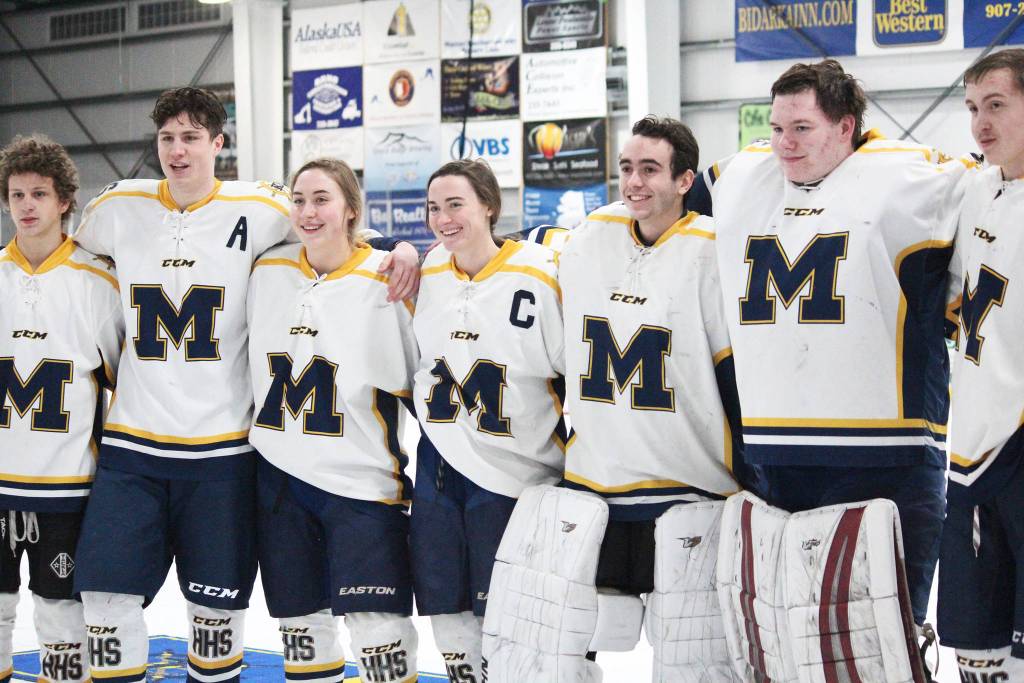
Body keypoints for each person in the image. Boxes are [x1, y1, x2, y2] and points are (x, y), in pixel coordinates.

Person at [69, 87, 420, 683]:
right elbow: (60, 261)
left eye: (191, 138)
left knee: (215, 619)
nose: (177, 151)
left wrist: (404, 246)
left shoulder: (261, 207)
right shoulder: (115, 208)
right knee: (103, 607)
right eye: (166, 138)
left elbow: (332, 227)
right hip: (133, 448)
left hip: (224, 454)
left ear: (218, 145)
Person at [707, 60, 972, 681]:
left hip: (886, 457)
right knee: (786, 642)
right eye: (775, 127)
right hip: (773, 457)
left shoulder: (917, 178)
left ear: (846, 126)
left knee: (881, 644)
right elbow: (660, 204)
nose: (783, 143)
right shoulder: (746, 175)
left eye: (801, 128)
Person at [483, 116, 745, 682]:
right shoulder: (592, 233)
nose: (634, 182)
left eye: (650, 169)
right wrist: (398, 250)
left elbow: (739, 379)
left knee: (695, 661)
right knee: (564, 651)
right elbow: (498, 257)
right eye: (626, 168)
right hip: (595, 490)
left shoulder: (715, 251)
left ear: (684, 180)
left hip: (692, 490)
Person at [249, 158, 419, 683]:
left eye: (322, 199)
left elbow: (423, 385)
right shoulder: (266, 269)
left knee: (378, 635)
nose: (307, 211)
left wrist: (405, 248)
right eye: (299, 200)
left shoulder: (388, 279)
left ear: (350, 209)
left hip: (361, 484)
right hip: (280, 478)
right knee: (302, 632)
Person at [410, 159, 565, 683]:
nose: (442, 218)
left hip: (514, 477)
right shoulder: (428, 270)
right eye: (434, 207)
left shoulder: (541, 273)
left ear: (489, 207)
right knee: (447, 613)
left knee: (515, 627)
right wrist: (405, 247)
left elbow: (573, 378)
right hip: (438, 466)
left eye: (456, 204)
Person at [0, 134, 122, 683]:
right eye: (17, 194)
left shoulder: (97, 281)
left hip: (66, 489)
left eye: (39, 195)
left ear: (65, 201)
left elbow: (125, 379)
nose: (26, 206)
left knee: (60, 619)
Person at [937, 48, 1024, 683]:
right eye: (972, 108)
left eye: (996, 104)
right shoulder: (973, 187)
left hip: (1019, 440)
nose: (980, 123)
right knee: (976, 655)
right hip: (967, 449)